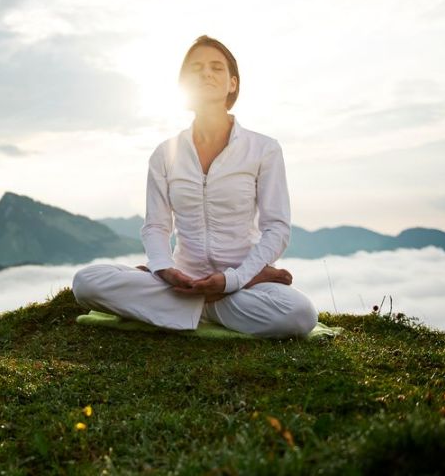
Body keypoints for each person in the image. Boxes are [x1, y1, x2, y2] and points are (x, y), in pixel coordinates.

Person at [72, 35, 318, 338]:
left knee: (300, 314)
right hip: (182, 280)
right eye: (196, 68)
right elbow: (156, 227)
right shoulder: (165, 153)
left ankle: (182, 308)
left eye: (216, 67)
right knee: (86, 282)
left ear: (232, 84)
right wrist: (163, 268)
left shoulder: (264, 149)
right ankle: (206, 305)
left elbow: (277, 228)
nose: (206, 73)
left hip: (241, 278)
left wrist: (235, 280)